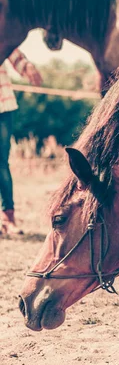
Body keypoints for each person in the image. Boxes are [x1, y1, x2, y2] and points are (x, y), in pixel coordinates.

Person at [0, 49, 43, 235]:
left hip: (2, 105)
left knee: (1, 162)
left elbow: (11, 48)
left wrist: (27, 66)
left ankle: (8, 219)